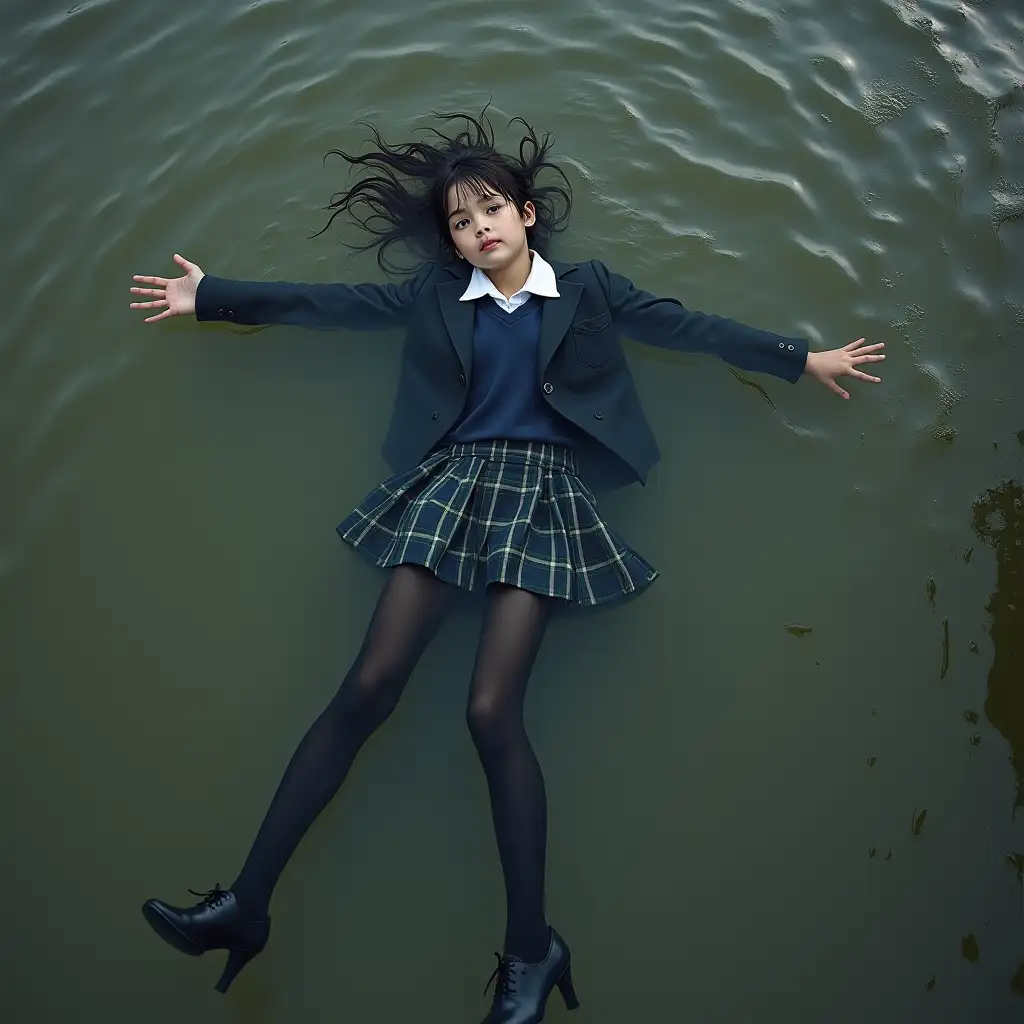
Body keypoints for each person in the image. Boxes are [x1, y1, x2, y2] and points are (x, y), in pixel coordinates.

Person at [129, 109, 884, 1020]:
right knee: (366, 686)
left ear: (527, 213)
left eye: (490, 209)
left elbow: (685, 327)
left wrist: (801, 359)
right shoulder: (435, 300)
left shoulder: (592, 290)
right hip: (451, 487)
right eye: (459, 220)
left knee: (490, 710)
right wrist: (212, 297)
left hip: (546, 498)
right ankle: (245, 907)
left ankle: (531, 949)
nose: (477, 227)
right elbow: (325, 304)